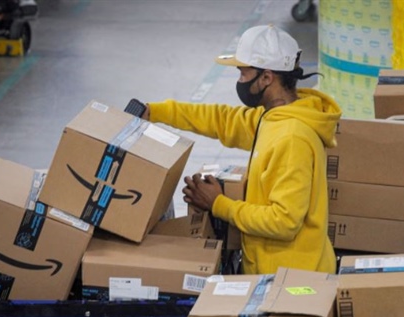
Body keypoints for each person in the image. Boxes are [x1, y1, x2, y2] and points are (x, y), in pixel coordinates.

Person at [143, 24, 342, 275]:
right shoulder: (273, 117)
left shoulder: (292, 138)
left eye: (243, 74)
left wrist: (218, 204)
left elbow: (284, 222)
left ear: (266, 77)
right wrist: (156, 111)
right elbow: (221, 120)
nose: (240, 81)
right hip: (271, 268)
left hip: (292, 278)